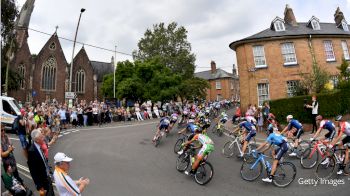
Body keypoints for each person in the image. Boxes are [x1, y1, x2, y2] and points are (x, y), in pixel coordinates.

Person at [27, 129, 55, 196]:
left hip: (47, 176)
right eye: (41, 137)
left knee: (51, 193)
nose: (44, 138)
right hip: (42, 181)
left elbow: (43, 160)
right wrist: (39, 186)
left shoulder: (39, 146)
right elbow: (33, 171)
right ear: (37, 140)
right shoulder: (32, 151)